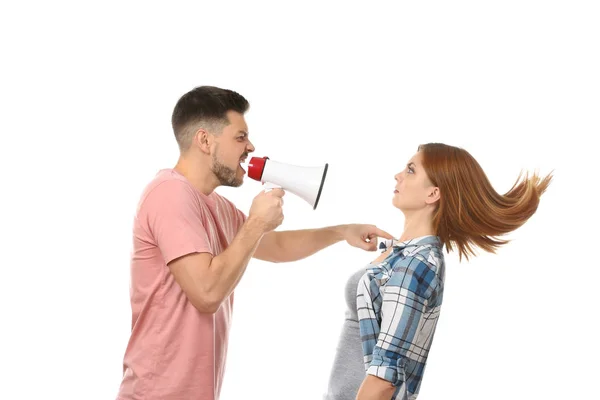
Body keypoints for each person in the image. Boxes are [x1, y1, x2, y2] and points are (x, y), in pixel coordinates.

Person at [115, 85, 393, 400]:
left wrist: (341, 232)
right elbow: (206, 293)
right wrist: (257, 222)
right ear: (205, 140)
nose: (250, 147)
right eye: (240, 137)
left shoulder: (214, 206)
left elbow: (276, 247)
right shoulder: (169, 194)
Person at [323, 143, 552, 400]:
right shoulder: (401, 255)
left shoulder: (415, 265)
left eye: (410, 170)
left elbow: (385, 377)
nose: (398, 175)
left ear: (433, 194)